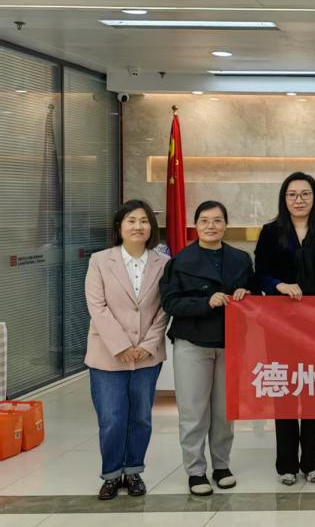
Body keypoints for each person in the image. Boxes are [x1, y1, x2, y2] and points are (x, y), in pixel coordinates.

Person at [160, 201, 255, 496]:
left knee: (225, 412)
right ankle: (196, 470)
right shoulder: (180, 261)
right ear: (196, 225)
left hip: (230, 343)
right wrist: (205, 302)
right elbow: (170, 303)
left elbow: (255, 297)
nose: (211, 226)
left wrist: (247, 294)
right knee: (193, 411)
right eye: (204, 220)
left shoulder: (241, 259)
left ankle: (222, 465)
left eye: (217, 220)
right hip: (192, 342)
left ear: (226, 225)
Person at [254, 172, 315, 486]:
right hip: (281, 324)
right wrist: (279, 285)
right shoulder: (270, 232)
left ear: (314, 197)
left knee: (314, 391)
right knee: (285, 392)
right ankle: (286, 463)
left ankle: (310, 460)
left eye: (305, 194)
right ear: (284, 198)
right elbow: (259, 274)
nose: (299, 200)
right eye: (292, 194)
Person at [84, 200, 169, 500]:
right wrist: (120, 345)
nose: (138, 226)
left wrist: (147, 345)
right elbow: (97, 306)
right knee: (112, 418)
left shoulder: (163, 263)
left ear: (151, 228)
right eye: (131, 220)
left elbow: (164, 308)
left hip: (147, 356)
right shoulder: (99, 260)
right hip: (107, 354)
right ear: (119, 226)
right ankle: (111, 475)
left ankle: (133, 471)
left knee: (141, 418)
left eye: (144, 221)